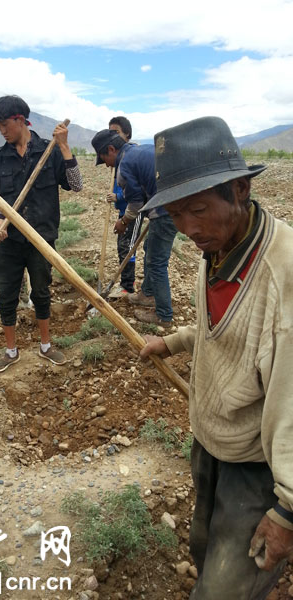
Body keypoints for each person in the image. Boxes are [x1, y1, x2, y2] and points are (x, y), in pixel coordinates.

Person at [140, 116, 293, 599]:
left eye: (199, 209)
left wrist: (287, 510)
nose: (188, 229)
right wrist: (177, 340)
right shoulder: (222, 244)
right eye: (175, 215)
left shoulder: (283, 277)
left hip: (260, 467)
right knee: (205, 544)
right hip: (212, 440)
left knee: (226, 588)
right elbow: (228, 328)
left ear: (241, 189)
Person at [0, 95, 83, 372]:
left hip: (42, 239)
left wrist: (64, 146)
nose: (2, 132)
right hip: (10, 241)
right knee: (6, 295)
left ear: (20, 120)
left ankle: (46, 346)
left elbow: (76, 185)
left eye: (5, 125)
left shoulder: (50, 151)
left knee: (41, 292)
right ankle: (10, 351)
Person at [91, 128, 177, 327]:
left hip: (166, 211)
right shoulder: (140, 150)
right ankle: (147, 293)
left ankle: (164, 315)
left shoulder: (125, 165)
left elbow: (136, 203)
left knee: (156, 262)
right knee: (150, 250)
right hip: (169, 205)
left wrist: (123, 222)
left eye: (104, 159)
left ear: (111, 149)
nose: (107, 165)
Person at [105, 116, 142, 297]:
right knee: (122, 245)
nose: (113, 136)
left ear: (127, 134)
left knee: (127, 246)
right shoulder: (118, 158)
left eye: (116, 132)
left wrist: (118, 196)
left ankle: (127, 286)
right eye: (110, 132)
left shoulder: (131, 157)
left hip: (133, 210)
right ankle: (126, 284)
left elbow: (136, 190)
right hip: (124, 209)